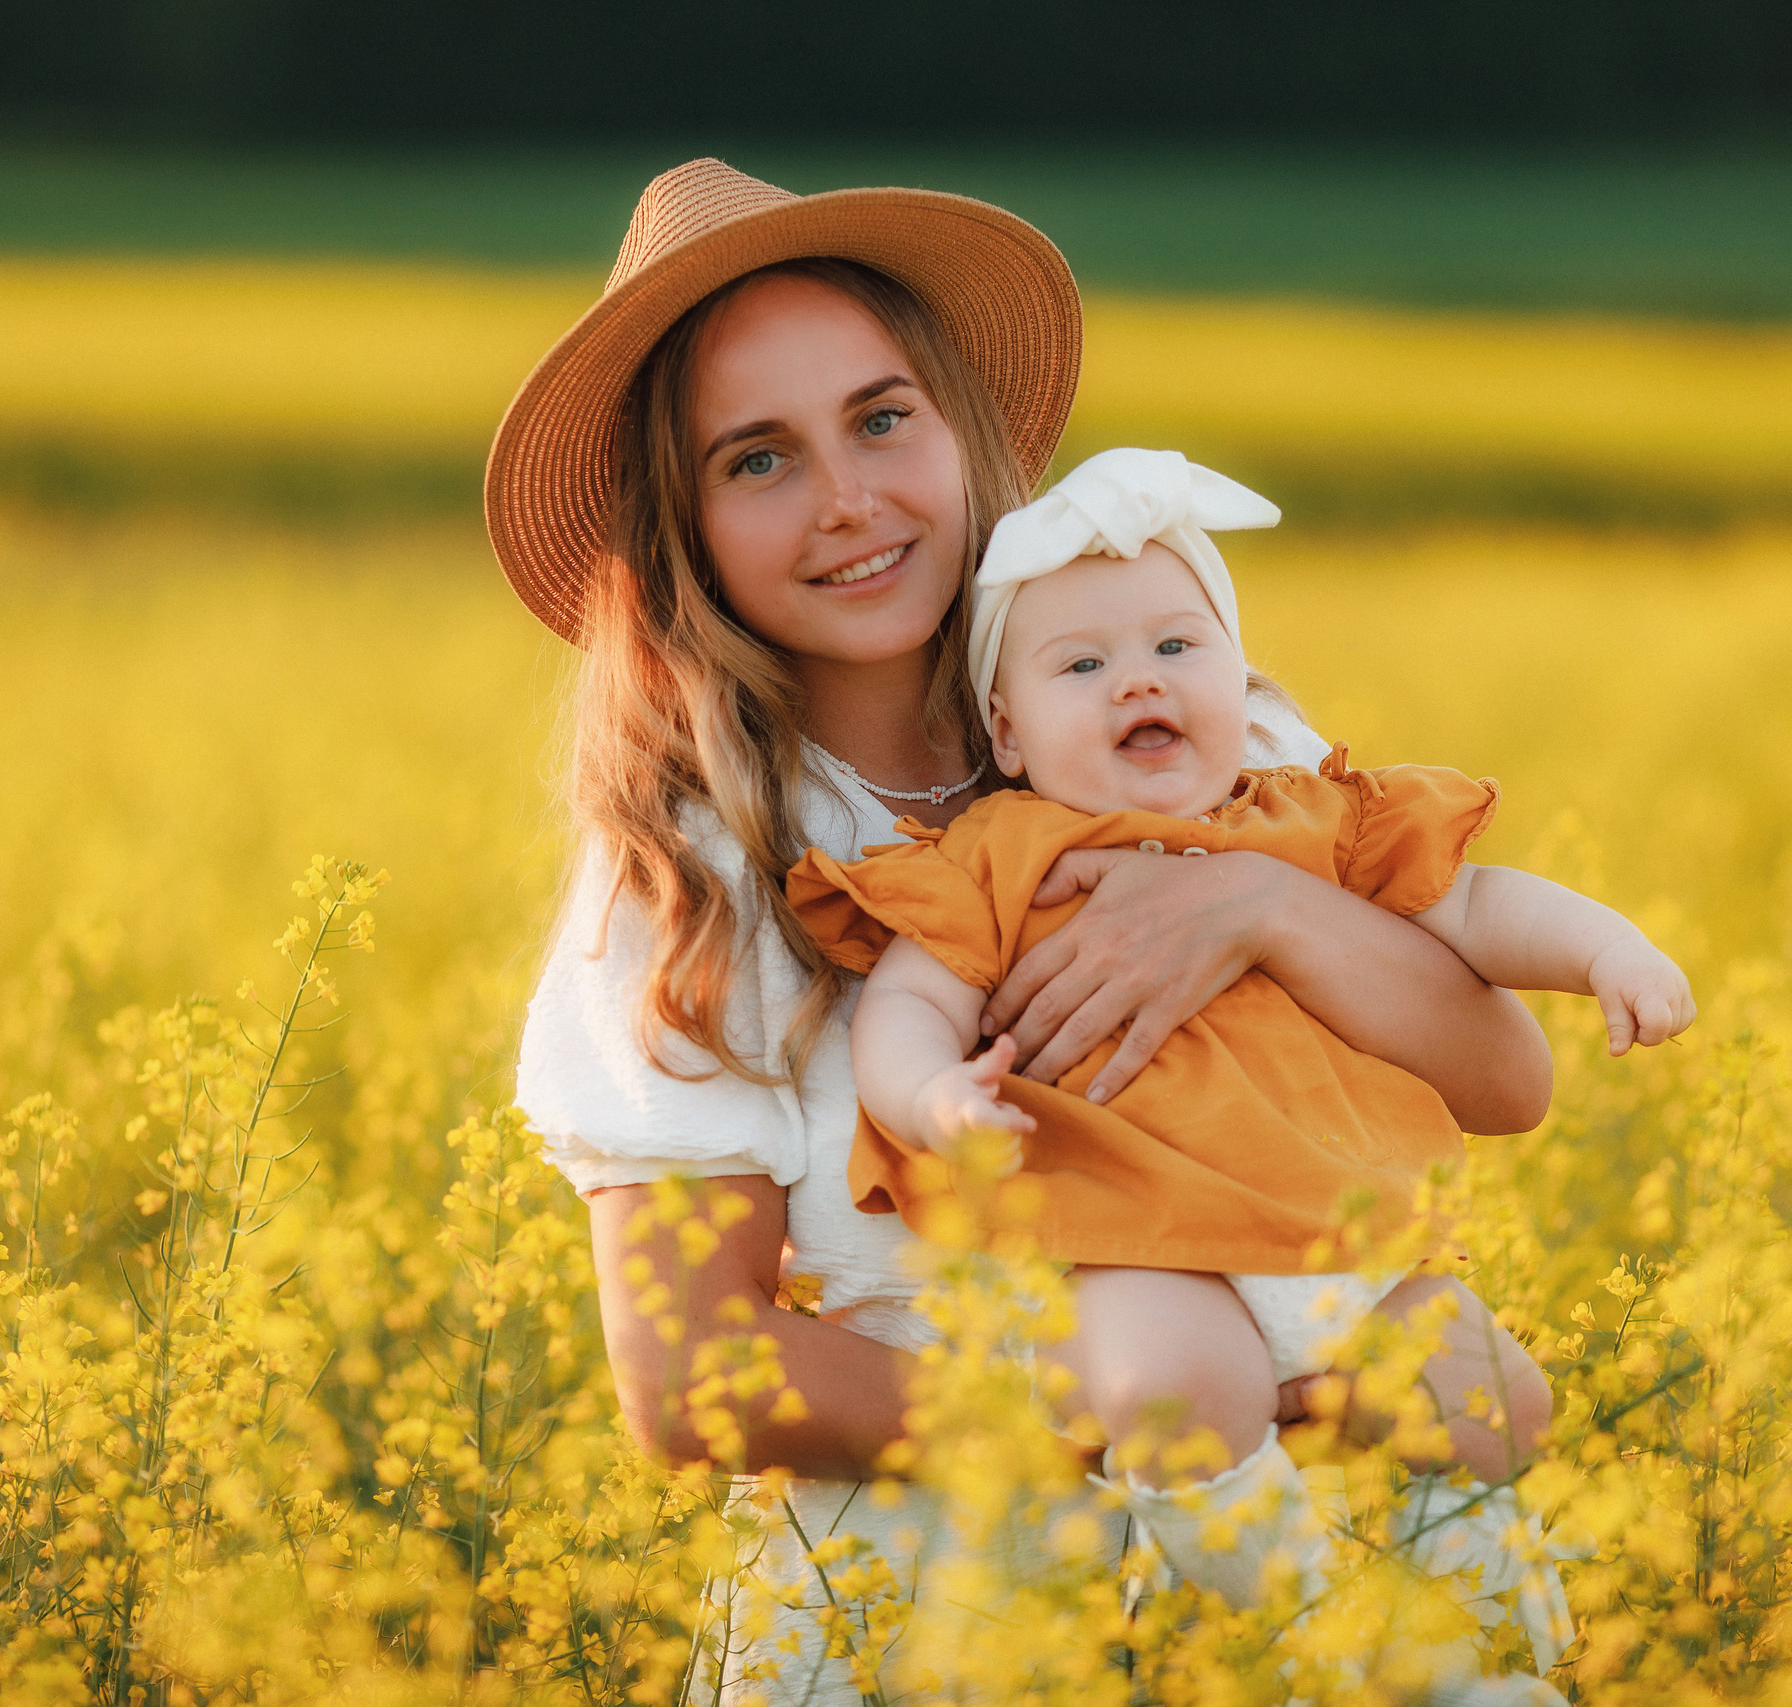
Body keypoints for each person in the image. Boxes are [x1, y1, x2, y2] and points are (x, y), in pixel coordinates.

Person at [493, 159, 1556, 1705]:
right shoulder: (692, 873)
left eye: (880, 417)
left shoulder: (1161, 721)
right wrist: (1176, 1415)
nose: (849, 497)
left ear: (962, 432)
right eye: (757, 460)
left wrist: (1257, 903)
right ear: (683, 532)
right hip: (939, 1617)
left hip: (1348, 1596)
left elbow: (1502, 1074)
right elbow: (690, 1373)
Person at [790, 447, 1696, 1669]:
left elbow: (1477, 908)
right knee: (1176, 1398)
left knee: (1490, 1391)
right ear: (1006, 731)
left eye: (1176, 648)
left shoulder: (1310, 821)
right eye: (1082, 665)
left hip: (1341, 1230)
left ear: (1240, 680)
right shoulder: (1001, 856)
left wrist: (1609, 952)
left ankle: (1493, 1661)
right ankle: (1310, 1639)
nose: (1136, 685)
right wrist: (932, 1094)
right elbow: (907, 1002)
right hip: (1136, 1238)